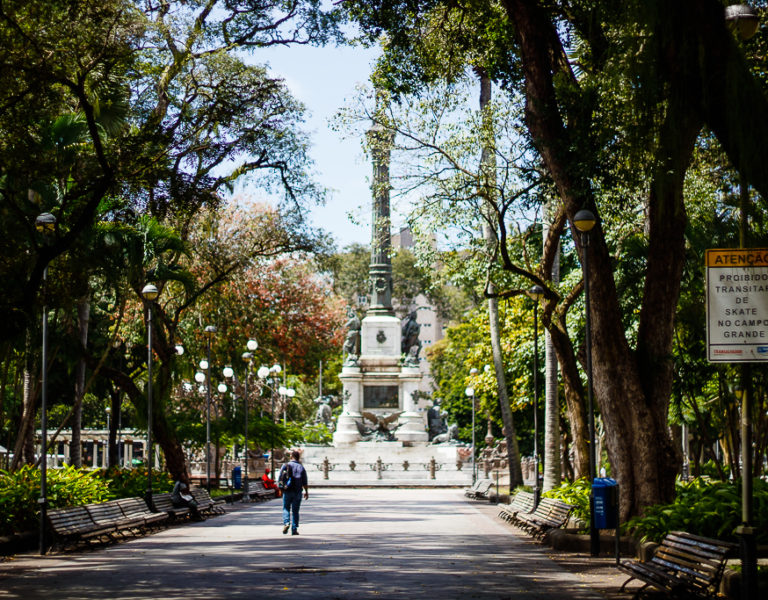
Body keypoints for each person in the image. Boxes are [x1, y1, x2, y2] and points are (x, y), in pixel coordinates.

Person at [279, 449, 308, 535]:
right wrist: (306, 492)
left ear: (291, 457)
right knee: (295, 511)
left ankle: (286, 523)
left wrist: (281, 490)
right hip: (297, 491)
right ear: (298, 458)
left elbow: (280, 478)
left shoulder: (286, 465)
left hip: (287, 490)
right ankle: (294, 529)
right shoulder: (301, 467)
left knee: (286, 508)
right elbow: (305, 481)